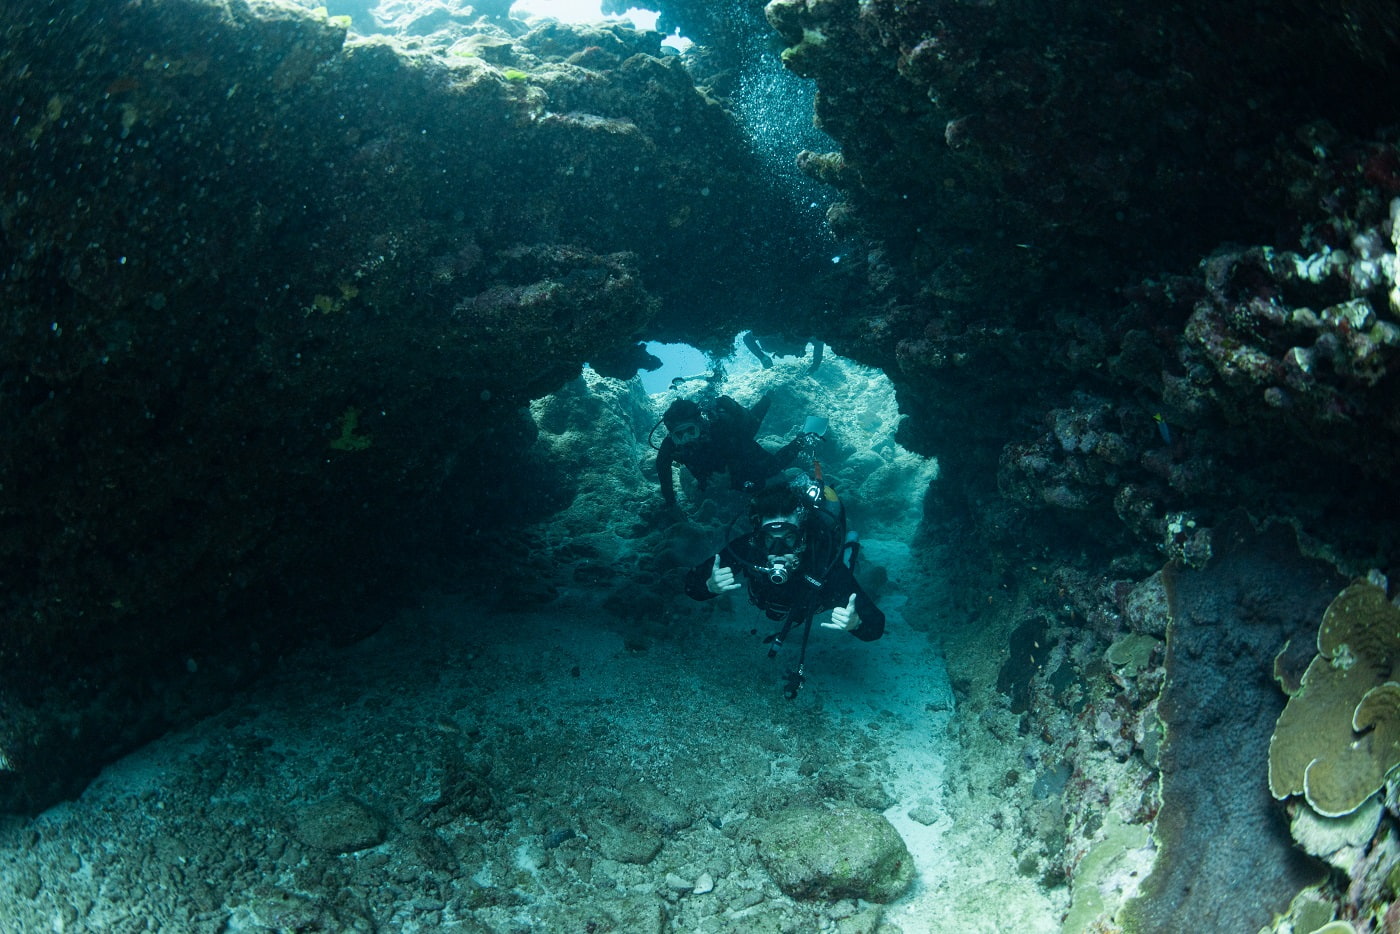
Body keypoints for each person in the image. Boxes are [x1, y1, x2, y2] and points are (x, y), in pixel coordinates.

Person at [684, 475, 885, 697]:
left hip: (814, 597)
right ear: (758, 537)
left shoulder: (821, 561)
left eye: (789, 538)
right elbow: (691, 586)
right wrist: (708, 587)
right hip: (779, 602)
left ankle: (850, 546)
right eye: (770, 539)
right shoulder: (748, 548)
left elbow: (875, 627)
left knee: (845, 566)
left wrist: (855, 623)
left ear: (803, 536)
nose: (778, 549)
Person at [654, 393, 804, 508]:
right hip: (720, 463)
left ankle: (803, 438)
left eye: (691, 431)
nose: (687, 439)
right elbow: (662, 468)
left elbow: (745, 466)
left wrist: (732, 481)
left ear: (699, 424)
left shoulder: (721, 431)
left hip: (738, 441)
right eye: (679, 435)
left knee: (772, 466)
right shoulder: (670, 444)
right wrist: (671, 504)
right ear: (671, 435)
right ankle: (768, 399)